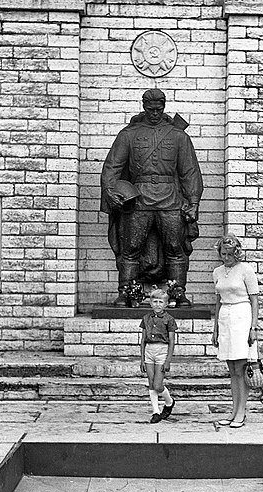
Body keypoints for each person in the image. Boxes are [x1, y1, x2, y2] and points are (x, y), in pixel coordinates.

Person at [101, 88, 203, 307]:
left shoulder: (178, 136)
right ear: (144, 107)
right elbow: (112, 167)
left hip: (170, 200)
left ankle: (177, 293)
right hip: (138, 200)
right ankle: (126, 293)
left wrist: (193, 202)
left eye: (159, 109)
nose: (155, 113)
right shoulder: (128, 135)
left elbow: (189, 172)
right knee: (131, 250)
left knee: (175, 250)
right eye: (151, 109)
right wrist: (111, 192)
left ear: (164, 107)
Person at [211, 234, 260, 428]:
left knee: (241, 367)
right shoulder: (217, 272)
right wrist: (215, 329)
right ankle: (233, 411)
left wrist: (253, 327)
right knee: (231, 369)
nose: (226, 258)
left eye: (230, 254)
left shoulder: (246, 270)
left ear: (237, 253)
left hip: (242, 315)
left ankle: (242, 411)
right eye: (223, 254)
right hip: (225, 317)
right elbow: (217, 300)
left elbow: (255, 299)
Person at [140, 288, 177, 423]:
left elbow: (172, 340)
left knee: (157, 384)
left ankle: (169, 401)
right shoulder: (146, 318)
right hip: (149, 350)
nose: (157, 304)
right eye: (154, 301)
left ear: (166, 304)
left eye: (160, 302)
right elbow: (143, 340)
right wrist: (142, 359)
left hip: (162, 350)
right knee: (150, 383)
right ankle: (156, 411)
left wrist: (168, 360)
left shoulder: (169, 319)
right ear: (150, 303)